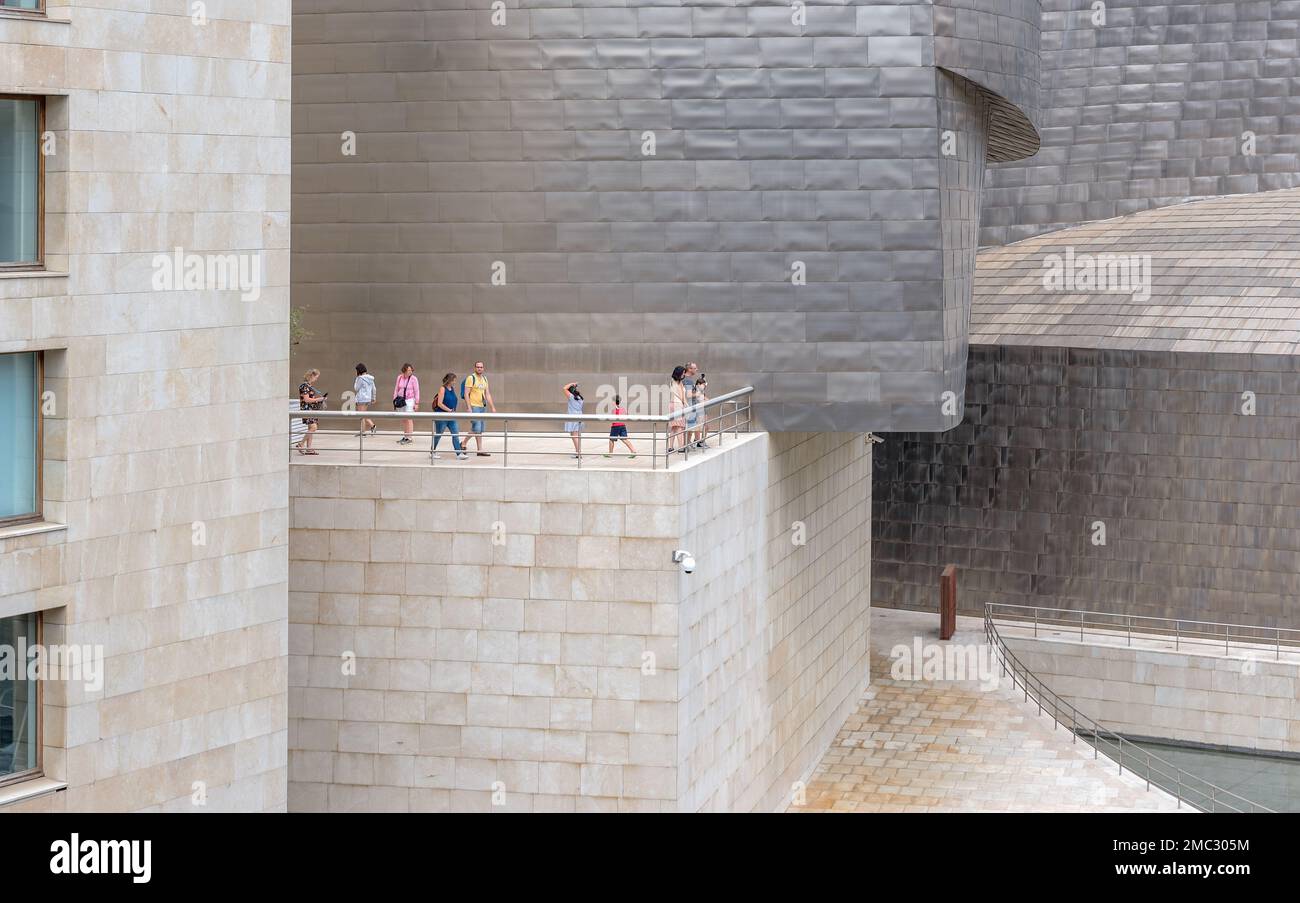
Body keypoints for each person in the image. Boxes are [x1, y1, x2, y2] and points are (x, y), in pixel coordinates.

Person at [461, 361, 495, 457]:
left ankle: (479, 449)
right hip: (474, 406)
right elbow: (466, 394)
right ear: (475, 368)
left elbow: (487, 394)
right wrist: (469, 407)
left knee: (479, 429)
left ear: (483, 368)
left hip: (482, 407)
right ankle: (463, 443)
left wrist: (492, 407)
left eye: (481, 367)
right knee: (477, 428)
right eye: (477, 367)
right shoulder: (471, 378)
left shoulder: (484, 379)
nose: (479, 368)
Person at [433, 372, 469, 460]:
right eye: (454, 380)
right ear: (449, 380)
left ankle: (459, 454)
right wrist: (449, 410)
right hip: (442, 416)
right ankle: (432, 451)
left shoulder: (451, 389)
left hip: (452, 416)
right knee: (438, 435)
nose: (455, 382)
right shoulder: (442, 389)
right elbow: (439, 403)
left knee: (455, 434)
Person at [296, 369, 326, 456]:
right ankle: (301, 444)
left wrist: (319, 400)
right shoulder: (304, 386)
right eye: (316, 377)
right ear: (311, 376)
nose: (316, 379)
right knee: (314, 427)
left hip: (310, 409)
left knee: (310, 429)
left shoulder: (308, 386)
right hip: (307, 410)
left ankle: (309, 449)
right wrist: (318, 399)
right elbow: (306, 399)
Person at [604, 395, 636, 459]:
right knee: (624, 439)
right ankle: (633, 451)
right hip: (622, 425)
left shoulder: (614, 409)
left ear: (614, 402)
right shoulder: (623, 409)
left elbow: (613, 417)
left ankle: (610, 453)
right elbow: (626, 415)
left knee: (611, 439)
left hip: (616, 426)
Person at [394, 364, 419, 444]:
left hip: (410, 400)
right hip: (401, 400)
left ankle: (409, 438)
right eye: (409, 370)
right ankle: (405, 436)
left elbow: (417, 391)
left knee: (409, 418)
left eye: (411, 370)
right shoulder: (399, 377)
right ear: (404, 370)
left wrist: (417, 403)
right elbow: (396, 389)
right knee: (404, 419)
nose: (410, 371)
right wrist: (394, 399)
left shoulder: (413, 379)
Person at [667, 366, 687, 453]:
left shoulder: (672, 381)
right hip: (677, 405)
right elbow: (682, 396)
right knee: (679, 426)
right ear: (679, 373)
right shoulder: (677, 383)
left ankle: (670, 447)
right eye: (683, 373)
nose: (684, 374)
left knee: (674, 427)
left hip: (672, 404)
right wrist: (686, 405)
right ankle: (681, 447)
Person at [354, 363, 376, 436]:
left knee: (361, 416)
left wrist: (356, 379)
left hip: (361, 398)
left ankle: (363, 432)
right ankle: (372, 426)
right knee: (363, 414)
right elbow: (374, 389)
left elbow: (356, 388)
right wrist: (373, 398)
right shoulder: (370, 378)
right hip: (367, 398)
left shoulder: (360, 378)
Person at [563, 382, 585, 458]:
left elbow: (564, 388)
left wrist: (572, 383)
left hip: (573, 417)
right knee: (575, 435)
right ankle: (577, 452)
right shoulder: (580, 398)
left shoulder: (571, 397)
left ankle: (579, 453)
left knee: (574, 435)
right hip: (579, 416)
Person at [689, 371, 709, 449]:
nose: (704, 386)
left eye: (705, 385)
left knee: (706, 427)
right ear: (698, 385)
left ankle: (700, 440)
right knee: (698, 427)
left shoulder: (702, 392)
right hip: (697, 412)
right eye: (703, 385)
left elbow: (706, 399)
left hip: (703, 411)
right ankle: (699, 441)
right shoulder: (695, 392)